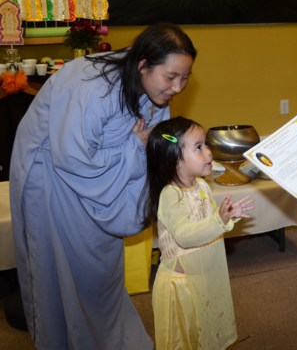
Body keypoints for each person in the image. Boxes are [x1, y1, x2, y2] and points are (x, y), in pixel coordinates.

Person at [10, 23, 197, 349]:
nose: (178, 87)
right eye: (171, 77)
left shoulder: (153, 91)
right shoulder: (91, 86)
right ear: (143, 65)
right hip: (53, 175)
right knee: (62, 269)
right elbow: (74, 158)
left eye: (185, 78)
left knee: (100, 268)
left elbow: (151, 145)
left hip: (102, 177)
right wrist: (131, 148)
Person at [144, 117, 254, 349]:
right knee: (182, 339)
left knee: (202, 332)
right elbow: (185, 235)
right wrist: (218, 221)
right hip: (180, 286)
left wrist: (226, 217)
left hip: (201, 277)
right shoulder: (170, 195)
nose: (208, 152)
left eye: (206, 144)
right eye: (198, 147)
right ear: (174, 159)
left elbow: (209, 226)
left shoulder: (202, 186)